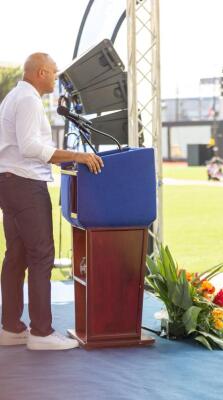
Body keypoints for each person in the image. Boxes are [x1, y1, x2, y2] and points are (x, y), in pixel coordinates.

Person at [0, 53, 104, 350]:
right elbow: (31, 147)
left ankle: (11, 328)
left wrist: (62, 157)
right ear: (41, 72)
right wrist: (76, 155)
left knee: (16, 255)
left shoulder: (13, 97)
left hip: (10, 182)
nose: (56, 78)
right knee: (41, 256)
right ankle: (41, 333)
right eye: (54, 73)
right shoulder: (28, 100)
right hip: (25, 184)